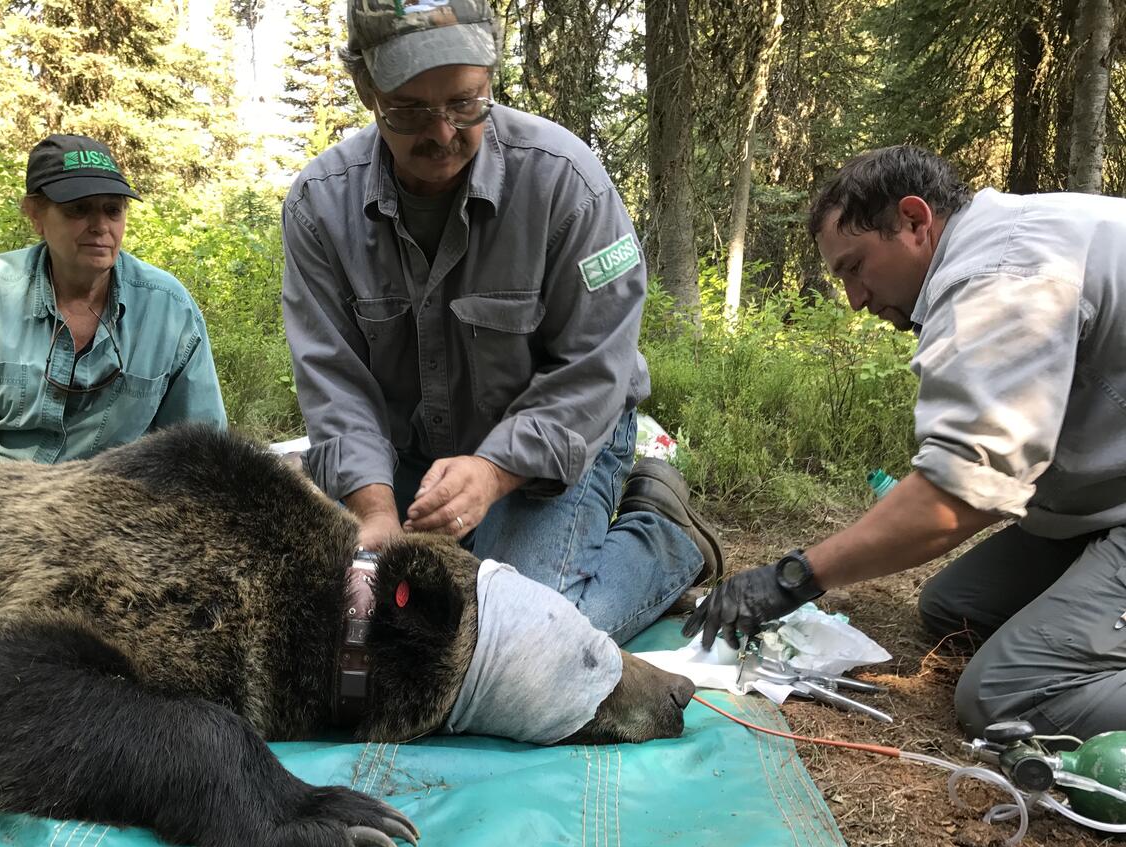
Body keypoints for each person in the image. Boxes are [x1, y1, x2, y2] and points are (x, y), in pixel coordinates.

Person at [280, 0, 722, 644]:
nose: (442, 134)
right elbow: (334, 381)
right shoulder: (321, 206)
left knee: (520, 638)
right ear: (366, 89)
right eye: (408, 111)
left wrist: (492, 472)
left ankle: (663, 539)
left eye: (466, 103)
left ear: (491, 76)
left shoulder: (567, 184)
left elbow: (595, 370)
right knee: (387, 628)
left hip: (562, 442)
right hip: (409, 451)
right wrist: (373, 512)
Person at [684, 144, 1126, 740]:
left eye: (856, 267)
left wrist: (794, 577)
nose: (856, 300)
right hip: (1099, 504)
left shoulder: (999, 279)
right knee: (954, 608)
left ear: (915, 222)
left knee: (1007, 693)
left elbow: (958, 498)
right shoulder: (1001, 240)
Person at [0, 134, 227, 462]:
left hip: (118, 500)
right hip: (5, 493)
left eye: (112, 210)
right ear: (34, 214)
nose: (99, 226)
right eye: (77, 209)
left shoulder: (170, 310)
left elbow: (201, 444)